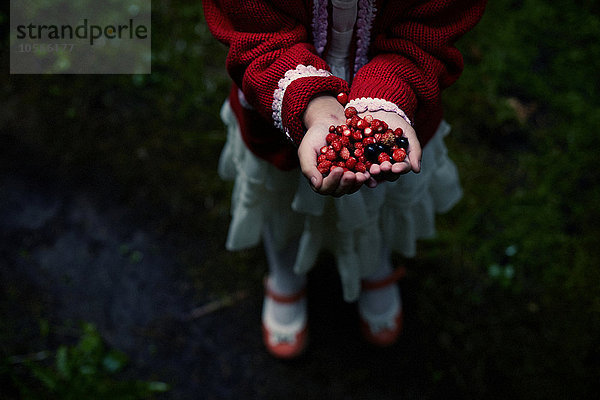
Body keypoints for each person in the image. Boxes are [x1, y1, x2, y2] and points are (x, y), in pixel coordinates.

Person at [203, 0, 487, 359]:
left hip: (399, 97)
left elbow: (429, 31)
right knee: (280, 201)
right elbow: (255, 30)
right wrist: (313, 103)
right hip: (277, 97)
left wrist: (386, 99)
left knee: (378, 199)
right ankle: (286, 273)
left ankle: (373, 265)